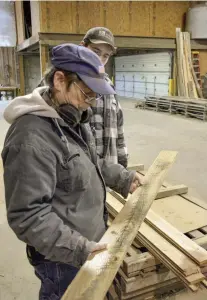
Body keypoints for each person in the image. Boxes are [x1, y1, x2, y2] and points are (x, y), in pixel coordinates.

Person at [2, 44, 142, 300]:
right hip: (61, 259)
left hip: (86, 245)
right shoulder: (30, 138)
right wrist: (81, 249)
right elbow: (28, 215)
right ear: (59, 80)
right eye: (87, 93)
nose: (90, 102)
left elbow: (90, 162)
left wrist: (124, 178)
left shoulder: (71, 117)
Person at [81, 27, 128, 168]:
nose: (99, 60)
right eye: (95, 52)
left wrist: (122, 161)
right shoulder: (66, 83)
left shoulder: (108, 86)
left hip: (107, 173)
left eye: (105, 56)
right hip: (80, 174)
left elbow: (118, 127)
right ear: (82, 46)